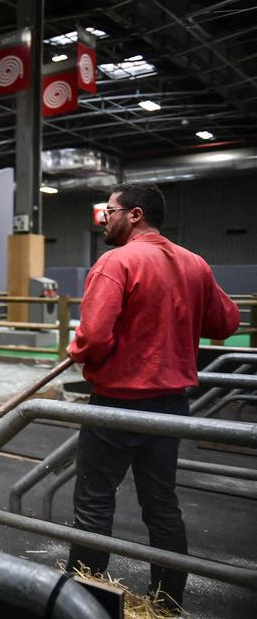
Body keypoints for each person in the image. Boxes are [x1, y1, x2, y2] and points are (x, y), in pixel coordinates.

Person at [66, 183, 239, 612]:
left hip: (116, 406)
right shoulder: (194, 264)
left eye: (110, 210)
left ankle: (84, 604)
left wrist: (78, 351)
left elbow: (93, 337)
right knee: (162, 505)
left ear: (135, 214)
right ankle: (165, 605)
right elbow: (226, 322)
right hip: (170, 409)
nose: (105, 217)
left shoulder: (116, 262)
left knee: (94, 504)